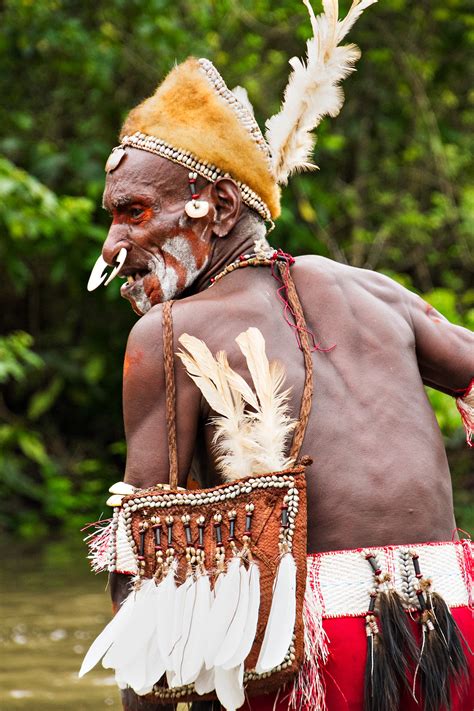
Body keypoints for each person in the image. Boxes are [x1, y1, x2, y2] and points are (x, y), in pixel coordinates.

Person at [83, 2, 474, 710]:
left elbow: (148, 571)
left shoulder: (166, 332)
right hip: (457, 622)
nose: (112, 246)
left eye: (134, 212)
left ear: (223, 208)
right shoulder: (375, 293)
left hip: (312, 645)